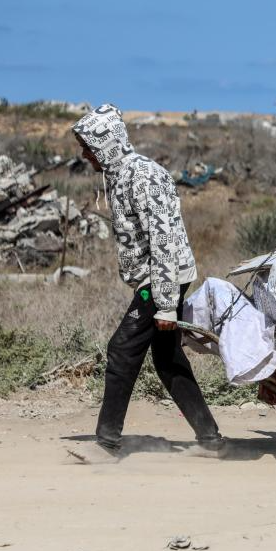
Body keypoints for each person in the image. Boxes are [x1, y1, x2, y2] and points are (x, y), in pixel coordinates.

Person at [67, 104, 225, 463]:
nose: (84, 154)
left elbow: (163, 242)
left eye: (88, 146)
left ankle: (106, 444)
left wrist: (166, 303)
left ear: (105, 144)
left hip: (160, 280)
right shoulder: (120, 176)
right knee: (167, 358)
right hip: (156, 279)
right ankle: (211, 440)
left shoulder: (143, 177)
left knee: (122, 350)